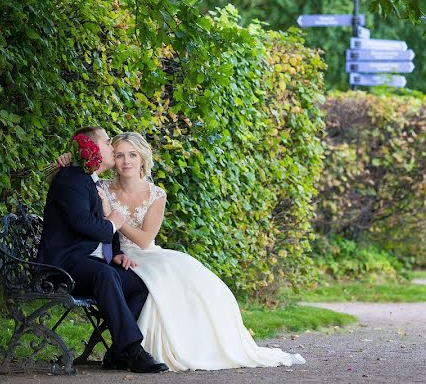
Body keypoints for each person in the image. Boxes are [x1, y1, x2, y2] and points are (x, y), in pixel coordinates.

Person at [60, 132, 305, 372]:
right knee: (147, 281)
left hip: (142, 252)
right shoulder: (100, 186)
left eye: (133, 155)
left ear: (143, 158)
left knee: (185, 280)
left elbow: (145, 240)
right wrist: (69, 159)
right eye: (121, 155)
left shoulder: (156, 194)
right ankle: (126, 349)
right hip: (113, 257)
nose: (126, 161)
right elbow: (87, 204)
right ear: (112, 157)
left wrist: (117, 220)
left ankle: (143, 348)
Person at [38, 126, 168, 373]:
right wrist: (114, 222)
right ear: (93, 148)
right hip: (63, 264)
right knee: (105, 275)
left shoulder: (90, 179)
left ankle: (117, 352)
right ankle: (132, 350)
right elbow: (83, 223)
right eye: (109, 143)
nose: (113, 148)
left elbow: (102, 231)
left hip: (87, 261)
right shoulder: (72, 178)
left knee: (140, 283)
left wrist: (116, 253)